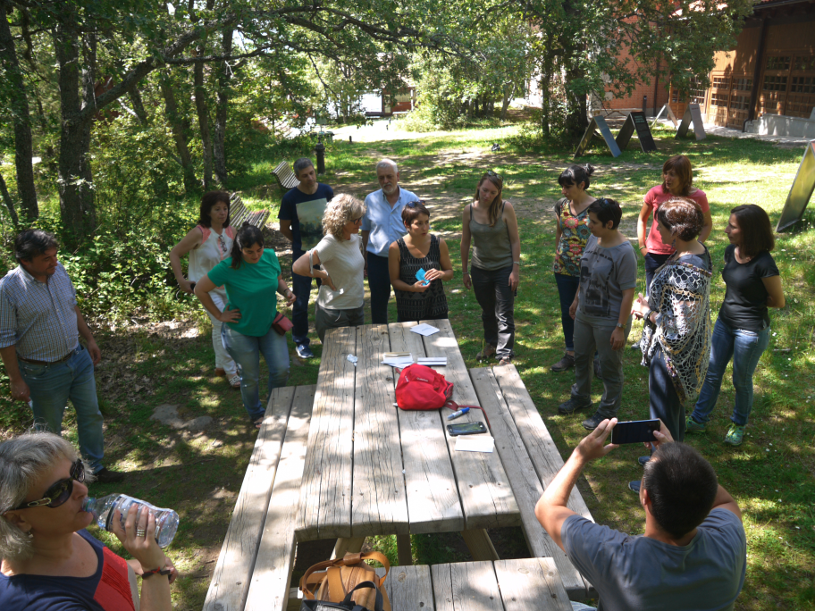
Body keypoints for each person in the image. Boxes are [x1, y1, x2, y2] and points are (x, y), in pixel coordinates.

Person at [534, 418, 746, 611]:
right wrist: (678, 458)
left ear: (646, 498)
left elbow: (547, 508)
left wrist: (580, 455)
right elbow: (725, 501)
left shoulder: (616, 560)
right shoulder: (728, 544)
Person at [0, 432, 178, 611]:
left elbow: (96, 578)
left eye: (76, 471)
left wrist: (135, 564)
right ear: (18, 519)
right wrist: (154, 571)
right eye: (58, 491)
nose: (82, 490)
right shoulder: (42, 603)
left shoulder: (66, 532)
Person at [0, 230, 123, 484]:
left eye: (55, 256)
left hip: (77, 359)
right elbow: (5, 339)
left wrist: (89, 339)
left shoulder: (59, 271)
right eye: (46, 259)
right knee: (48, 432)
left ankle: (94, 469)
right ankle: (56, 481)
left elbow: (72, 306)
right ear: (26, 261)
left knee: (90, 414)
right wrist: (15, 379)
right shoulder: (8, 289)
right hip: (42, 373)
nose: (54, 262)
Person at [687, 205, 785, 446]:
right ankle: (698, 420)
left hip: (750, 331)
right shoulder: (731, 251)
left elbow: (778, 301)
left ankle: (738, 425)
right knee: (712, 373)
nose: (726, 229)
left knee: (741, 380)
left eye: (732, 226)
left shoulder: (764, 263)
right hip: (724, 323)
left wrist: (751, 305)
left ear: (749, 231)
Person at [631, 198, 712, 482]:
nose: (656, 230)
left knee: (661, 420)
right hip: (674, 356)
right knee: (672, 416)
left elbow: (679, 328)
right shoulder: (694, 250)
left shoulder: (687, 270)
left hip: (671, 358)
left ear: (676, 231)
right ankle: (664, 457)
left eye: (660, 225)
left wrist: (647, 311)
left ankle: (665, 479)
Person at [195, 225, 295, 428]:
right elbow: (200, 289)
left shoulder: (269, 256)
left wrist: (286, 292)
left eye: (259, 250)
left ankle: (274, 409)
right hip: (240, 330)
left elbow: (277, 279)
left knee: (282, 369)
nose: (255, 255)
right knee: (250, 376)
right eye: (250, 252)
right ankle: (256, 413)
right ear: (240, 249)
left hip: (268, 324)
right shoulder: (228, 266)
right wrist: (219, 314)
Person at [557, 199, 637, 431]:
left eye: (593, 222)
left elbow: (627, 293)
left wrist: (620, 327)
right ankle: (581, 396)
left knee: (610, 367)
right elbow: (586, 272)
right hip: (585, 313)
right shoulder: (593, 238)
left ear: (609, 223)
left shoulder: (624, 252)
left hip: (609, 320)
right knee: (581, 358)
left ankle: (608, 410)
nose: (587, 225)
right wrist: (576, 299)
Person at [170, 191, 239, 388]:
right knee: (221, 324)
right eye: (217, 209)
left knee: (227, 323)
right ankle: (231, 371)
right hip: (205, 288)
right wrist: (181, 280)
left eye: (225, 208)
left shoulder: (230, 231)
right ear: (208, 211)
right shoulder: (199, 233)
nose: (222, 213)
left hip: (228, 288)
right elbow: (174, 253)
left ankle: (219, 366)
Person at [461, 171, 521, 366]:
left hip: (503, 267)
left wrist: (515, 270)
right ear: (479, 186)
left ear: (498, 193)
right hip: (479, 268)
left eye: (493, 192)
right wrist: (464, 271)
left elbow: (514, 240)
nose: (487, 195)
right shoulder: (469, 210)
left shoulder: (506, 208)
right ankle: (491, 344)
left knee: (504, 311)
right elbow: (465, 242)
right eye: (485, 190)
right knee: (487, 310)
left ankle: (505, 353)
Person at [279, 157, 334, 359]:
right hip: (302, 256)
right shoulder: (290, 198)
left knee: (329, 296)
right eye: (305, 175)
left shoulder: (326, 191)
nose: (310, 178)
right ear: (297, 177)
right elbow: (284, 228)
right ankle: (301, 342)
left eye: (312, 173)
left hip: (327, 254)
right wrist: (299, 243)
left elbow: (334, 219)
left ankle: (331, 335)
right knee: (300, 301)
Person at [292, 194, 367, 342]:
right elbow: (298, 266)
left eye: (361, 218)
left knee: (357, 358)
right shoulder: (330, 242)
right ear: (342, 220)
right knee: (339, 362)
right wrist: (323, 276)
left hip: (357, 308)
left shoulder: (354, 239)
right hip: (335, 313)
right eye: (356, 220)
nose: (361, 224)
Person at [638, 155, 712, 293]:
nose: (667, 177)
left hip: (684, 255)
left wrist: (696, 246)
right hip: (655, 254)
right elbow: (642, 219)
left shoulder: (698, 196)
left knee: (679, 296)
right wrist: (642, 247)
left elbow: (707, 224)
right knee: (653, 297)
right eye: (665, 173)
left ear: (684, 177)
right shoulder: (655, 193)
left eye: (672, 174)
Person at [550, 164, 596, 373]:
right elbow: (560, 233)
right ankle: (571, 352)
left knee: (590, 311)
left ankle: (596, 357)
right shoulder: (562, 205)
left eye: (568, 187)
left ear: (582, 184)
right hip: (564, 269)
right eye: (562, 187)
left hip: (590, 270)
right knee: (567, 310)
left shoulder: (598, 208)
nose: (563, 191)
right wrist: (557, 256)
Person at [362, 159, 419, 324]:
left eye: (389, 176)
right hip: (377, 259)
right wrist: (365, 258)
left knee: (407, 301)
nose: (385, 181)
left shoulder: (412, 199)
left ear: (398, 176)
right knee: (378, 303)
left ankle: (407, 336)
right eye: (381, 178)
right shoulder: (370, 200)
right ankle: (380, 339)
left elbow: (421, 231)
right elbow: (365, 230)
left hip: (405, 259)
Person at [388, 200, 453, 322]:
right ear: (406, 224)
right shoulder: (396, 248)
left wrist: (441, 274)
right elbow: (394, 281)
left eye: (427, 222)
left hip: (437, 309)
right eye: (419, 224)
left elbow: (449, 272)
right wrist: (411, 288)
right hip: (409, 312)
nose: (425, 228)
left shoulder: (438, 243)